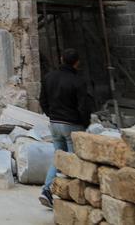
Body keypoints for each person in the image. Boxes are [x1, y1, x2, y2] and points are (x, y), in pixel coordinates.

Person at [38, 48, 94, 209]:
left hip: (55, 123)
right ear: (77, 62)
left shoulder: (49, 77)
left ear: (61, 59)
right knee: (72, 161)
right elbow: (83, 106)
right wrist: (84, 123)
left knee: (58, 158)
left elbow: (43, 100)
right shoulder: (78, 81)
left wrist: (51, 115)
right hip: (72, 124)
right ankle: (72, 196)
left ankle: (47, 190)